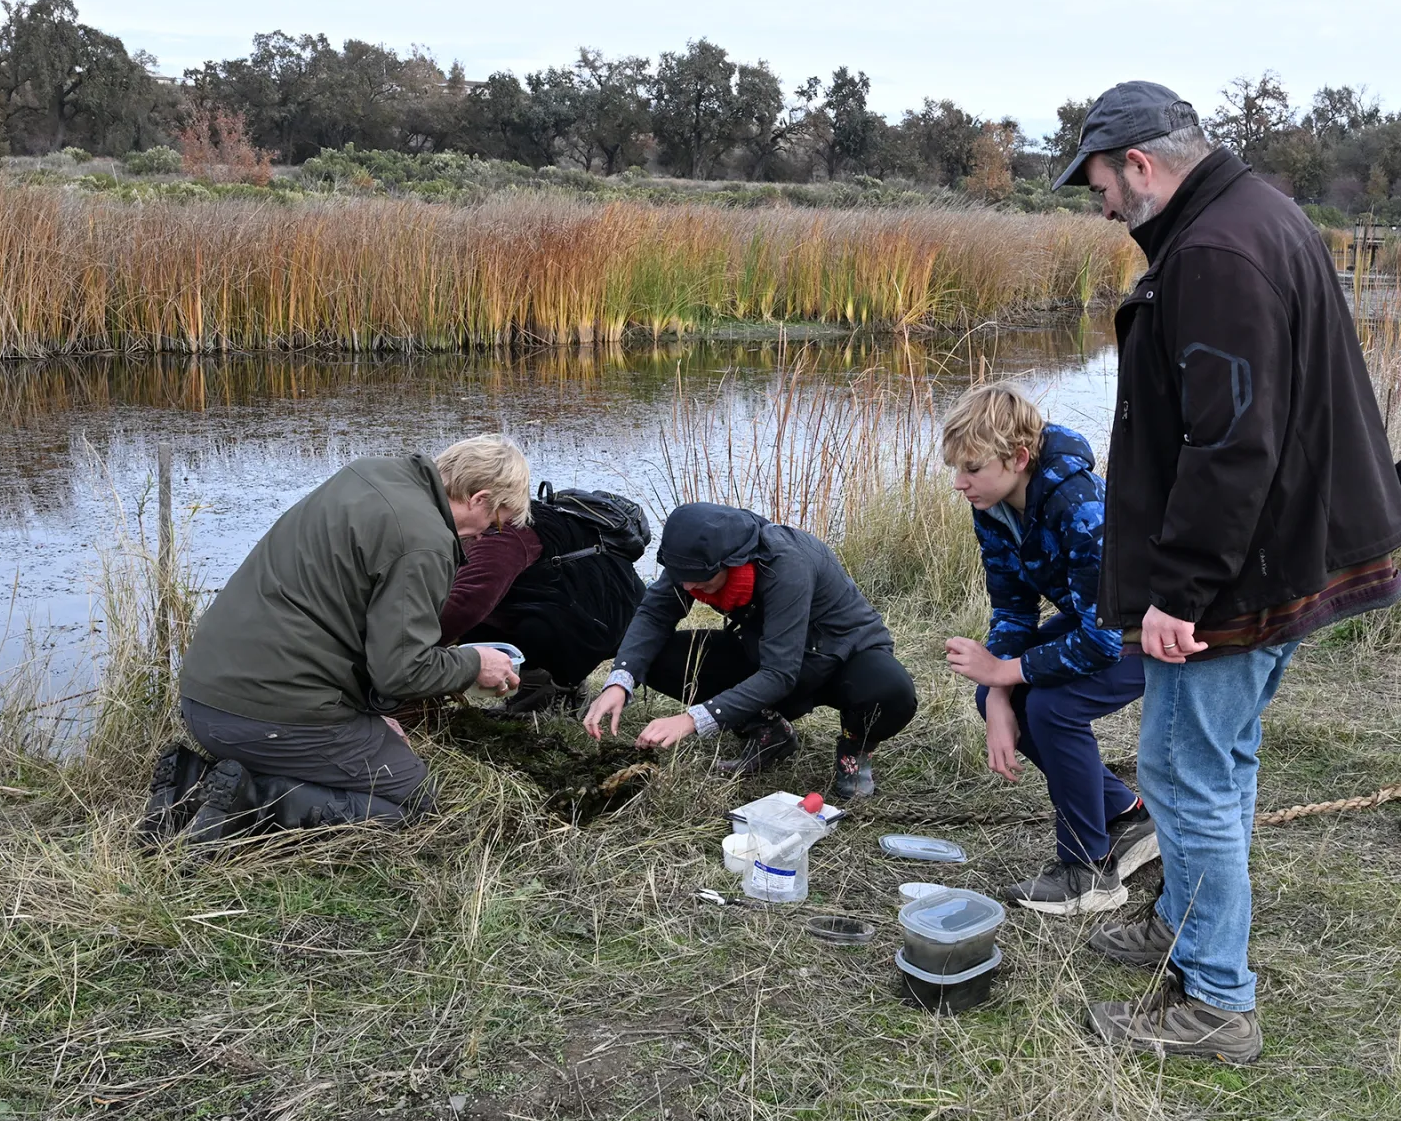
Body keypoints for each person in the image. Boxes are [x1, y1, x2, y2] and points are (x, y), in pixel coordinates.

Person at [1053, 81, 1401, 1062]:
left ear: (1143, 165)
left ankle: (1216, 1001)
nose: (1102, 205)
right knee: (1225, 758)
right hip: (1288, 548)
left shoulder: (1214, 252)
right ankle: (1192, 929)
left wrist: (1180, 589)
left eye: (1101, 184)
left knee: (1184, 769)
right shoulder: (1261, 215)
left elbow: (1231, 440)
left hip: (1243, 572)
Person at [137, 435, 531, 847]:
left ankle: (191, 783)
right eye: (497, 523)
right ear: (479, 499)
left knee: (371, 754)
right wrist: (473, 664)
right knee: (412, 800)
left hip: (204, 700)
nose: (486, 536)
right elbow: (402, 671)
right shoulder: (424, 542)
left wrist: (365, 716)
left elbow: (343, 622)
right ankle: (249, 804)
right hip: (261, 716)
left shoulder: (370, 473)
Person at [940, 383, 1158, 915]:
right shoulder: (992, 506)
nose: (959, 484)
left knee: (1052, 707)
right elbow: (1013, 609)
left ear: (1017, 458)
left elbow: (1103, 643)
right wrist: (994, 689)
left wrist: (1007, 670)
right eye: (955, 468)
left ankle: (1089, 874)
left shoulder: (1078, 505)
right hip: (1103, 621)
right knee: (1008, 698)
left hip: (1162, 633)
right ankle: (1126, 815)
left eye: (971, 468)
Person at [582, 501, 916, 800]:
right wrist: (619, 681)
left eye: (698, 579)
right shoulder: (693, 559)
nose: (686, 587)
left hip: (843, 656)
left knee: (889, 692)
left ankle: (854, 751)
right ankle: (770, 732)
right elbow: (654, 613)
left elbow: (780, 674)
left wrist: (691, 720)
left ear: (732, 560)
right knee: (654, 658)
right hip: (770, 652)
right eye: (681, 577)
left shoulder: (787, 565)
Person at [439, 483, 647, 714]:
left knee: (472, 624)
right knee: (490, 614)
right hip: (611, 606)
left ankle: (567, 687)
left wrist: (412, 659)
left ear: (477, 500)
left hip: (605, 621)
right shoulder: (513, 513)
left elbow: (464, 606)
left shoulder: (500, 534)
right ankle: (535, 685)